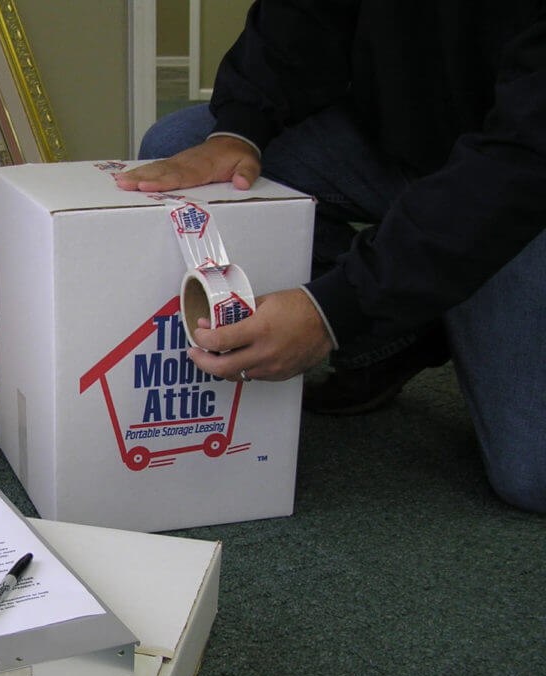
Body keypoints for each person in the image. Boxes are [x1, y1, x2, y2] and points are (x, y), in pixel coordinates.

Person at [116, 1, 546, 513]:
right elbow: (298, 15)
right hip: (397, 140)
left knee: (531, 477)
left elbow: (525, 156)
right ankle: (401, 333)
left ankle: (418, 292)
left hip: (523, 180)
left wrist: (335, 309)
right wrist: (240, 128)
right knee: (176, 143)